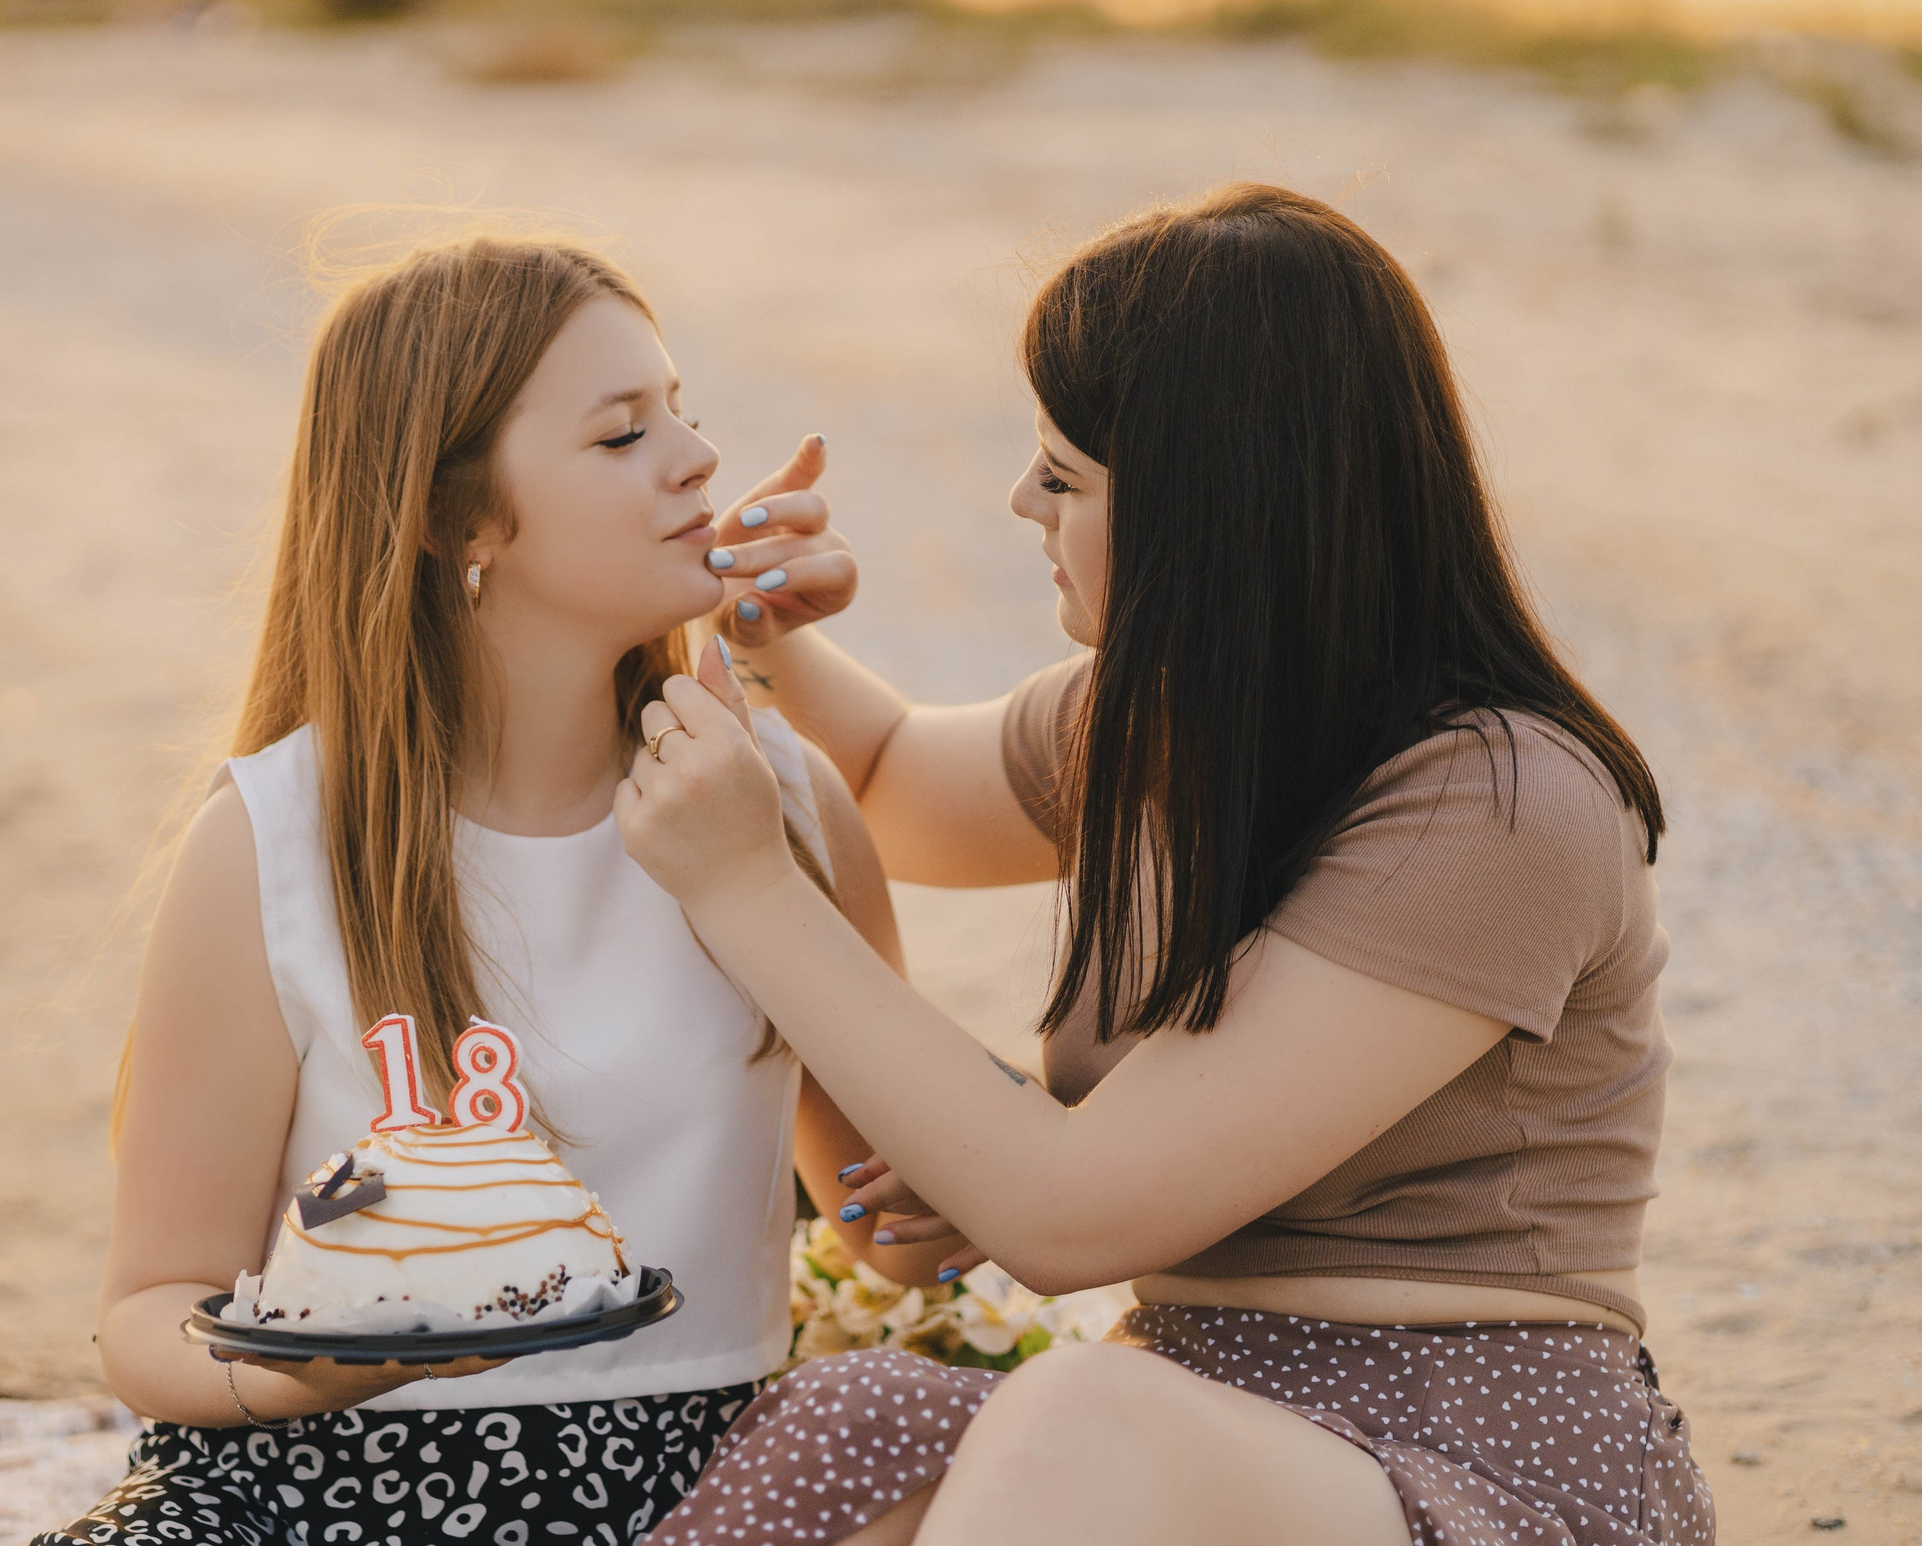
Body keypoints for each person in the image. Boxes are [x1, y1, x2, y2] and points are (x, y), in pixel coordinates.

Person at [612, 184, 1715, 1546]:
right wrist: (763, 630)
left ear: (1217, 515)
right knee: (855, 1422)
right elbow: (891, 782)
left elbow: (1071, 1219)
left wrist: (744, 893)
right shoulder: (1152, 724)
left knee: (1081, 1416)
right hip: (1180, 1413)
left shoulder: (1497, 801)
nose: (1021, 501)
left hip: (1474, 1445)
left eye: (1063, 476)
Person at [34, 237, 933, 1546]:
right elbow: (151, 1306)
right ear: (457, 522)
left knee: (931, 1432)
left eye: (684, 415)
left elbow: (886, 1232)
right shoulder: (274, 845)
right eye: (625, 434)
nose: (693, 459)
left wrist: (939, 1204)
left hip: (696, 1488)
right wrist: (297, 1371)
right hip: (326, 1482)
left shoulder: (780, 809)